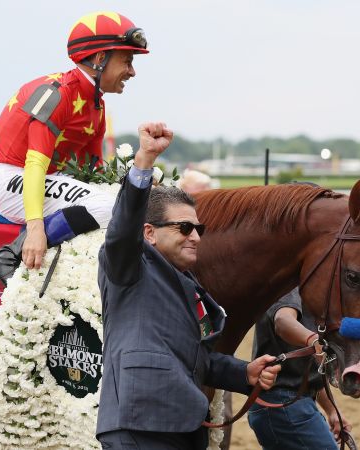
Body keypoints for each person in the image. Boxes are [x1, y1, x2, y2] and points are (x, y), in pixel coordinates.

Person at [96, 122, 282, 450]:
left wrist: (245, 373)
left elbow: (199, 360)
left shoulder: (190, 284)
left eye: (198, 228)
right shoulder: (129, 264)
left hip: (182, 427)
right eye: (184, 228)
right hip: (140, 426)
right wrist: (144, 162)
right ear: (149, 233)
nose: (195, 237)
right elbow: (123, 227)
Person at [0, 11, 149, 280]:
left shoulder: (96, 104)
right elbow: (35, 163)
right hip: (16, 178)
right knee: (112, 208)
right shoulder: (56, 93)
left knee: (121, 201)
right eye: (127, 61)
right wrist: (36, 227)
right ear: (100, 59)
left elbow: (93, 171)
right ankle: (12, 256)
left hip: (48, 179)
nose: (131, 71)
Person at [248, 288, 353, 449]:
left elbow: (308, 370)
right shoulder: (288, 283)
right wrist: (313, 340)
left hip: (290, 404)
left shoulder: (309, 290)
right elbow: (283, 321)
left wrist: (332, 411)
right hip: (283, 405)